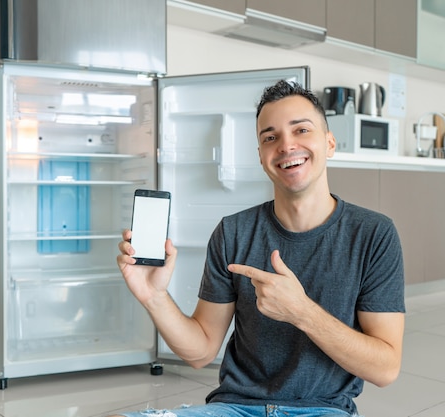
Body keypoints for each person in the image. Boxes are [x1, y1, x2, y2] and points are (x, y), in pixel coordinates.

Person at [114, 80, 405, 417]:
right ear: (261, 156)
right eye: (270, 137)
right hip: (235, 409)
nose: (286, 145)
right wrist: (154, 297)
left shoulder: (373, 234)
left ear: (329, 143)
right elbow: (200, 352)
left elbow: (385, 368)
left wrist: (302, 312)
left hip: (322, 410)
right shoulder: (233, 232)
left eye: (301, 130)